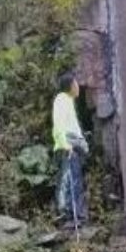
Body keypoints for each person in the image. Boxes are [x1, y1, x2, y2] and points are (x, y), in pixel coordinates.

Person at [52, 72, 89, 228]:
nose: (78, 86)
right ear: (70, 85)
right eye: (75, 83)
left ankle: (77, 215)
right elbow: (59, 125)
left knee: (75, 179)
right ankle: (69, 216)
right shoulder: (61, 100)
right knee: (70, 181)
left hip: (72, 145)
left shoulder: (68, 101)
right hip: (68, 146)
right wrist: (66, 145)